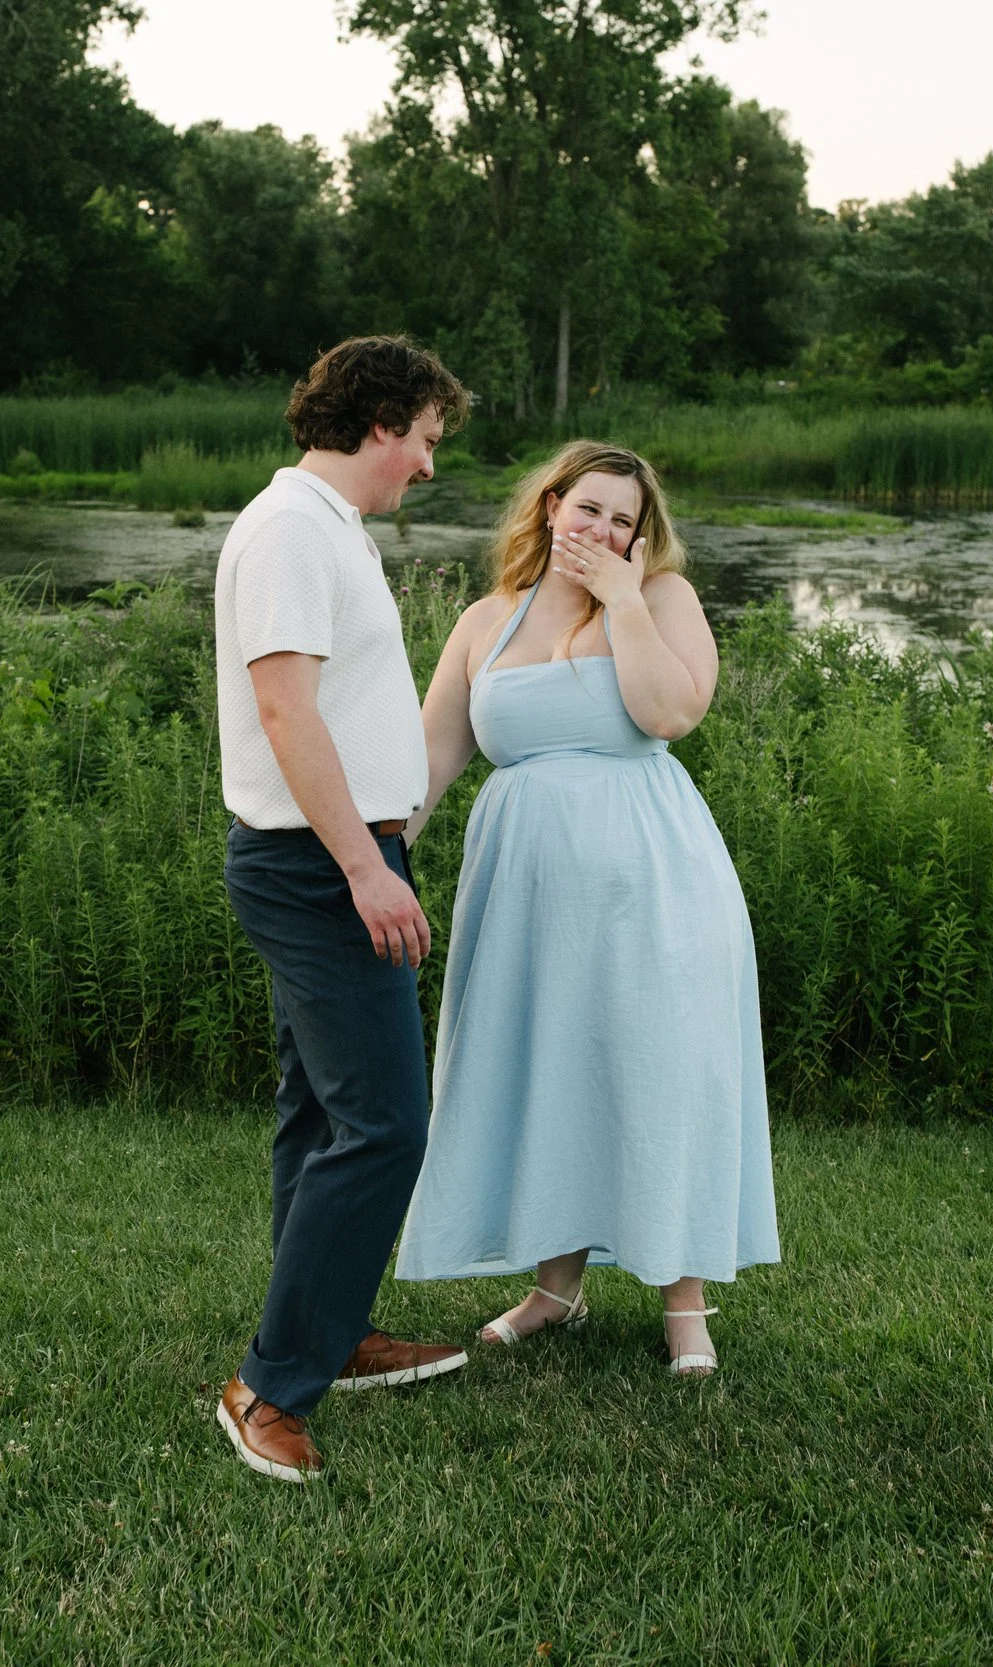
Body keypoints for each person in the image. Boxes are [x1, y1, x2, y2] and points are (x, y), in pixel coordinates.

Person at [396, 440, 780, 1376]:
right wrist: (373, 861)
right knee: (550, 1066)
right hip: (525, 893)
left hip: (654, 880)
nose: (603, 529)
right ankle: (555, 1288)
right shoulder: (485, 619)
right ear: (551, 506)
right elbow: (430, 758)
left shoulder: (665, 599)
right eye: (589, 509)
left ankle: (684, 1301)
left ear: (643, 536)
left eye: (624, 520)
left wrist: (623, 599)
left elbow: (669, 714)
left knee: (659, 1067)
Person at [212, 336, 476, 1484]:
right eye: (424, 438)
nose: (428, 463)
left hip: (341, 853)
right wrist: (366, 869)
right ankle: (269, 1385)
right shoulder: (287, 530)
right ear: (378, 422)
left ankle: (333, 1327)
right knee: (384, 1123)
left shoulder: (330, 528)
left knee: (321, 1111)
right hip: (317, 865)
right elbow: (285, 712)